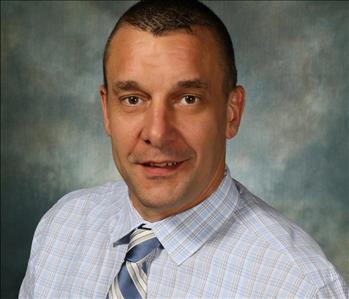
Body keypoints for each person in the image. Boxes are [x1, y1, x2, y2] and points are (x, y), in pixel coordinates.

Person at [19, 0, 347, 298]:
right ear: (107, 112)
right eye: (133, 99)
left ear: (232, 113)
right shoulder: (61, 226)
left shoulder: (297, 285)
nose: (158, 133)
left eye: (188, 99)